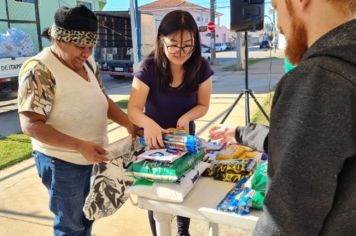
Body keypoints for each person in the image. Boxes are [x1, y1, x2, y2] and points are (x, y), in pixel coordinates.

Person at [209, 0, 356, 235]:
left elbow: (285, 224)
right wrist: (240, 133)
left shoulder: (320, 78)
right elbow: (315, 149)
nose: (278, 26)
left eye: (276, 7)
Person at [17, 5, 138, 236]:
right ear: (59, 40)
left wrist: (128, 124)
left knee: (87, 216)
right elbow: (31, 125)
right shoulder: (39, 69)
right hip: (62, 162)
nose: (86, 53)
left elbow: (103, 99)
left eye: (91, 47)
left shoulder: (88, 64)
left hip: (91, 157)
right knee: (70, 226)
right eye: (80, 46)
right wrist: (79, 145)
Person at [127, 10, 213, 236]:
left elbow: (203, 105)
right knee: (156, 194)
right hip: (155, 143)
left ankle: (183, 231)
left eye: (188, 45)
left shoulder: (201, 67)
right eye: (173, 44)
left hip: (184, 141)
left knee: (185, 186)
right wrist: (149, 123)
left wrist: (187, 117)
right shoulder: (149, 67)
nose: (180, 52)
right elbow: (133, 110)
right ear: (161, 40)